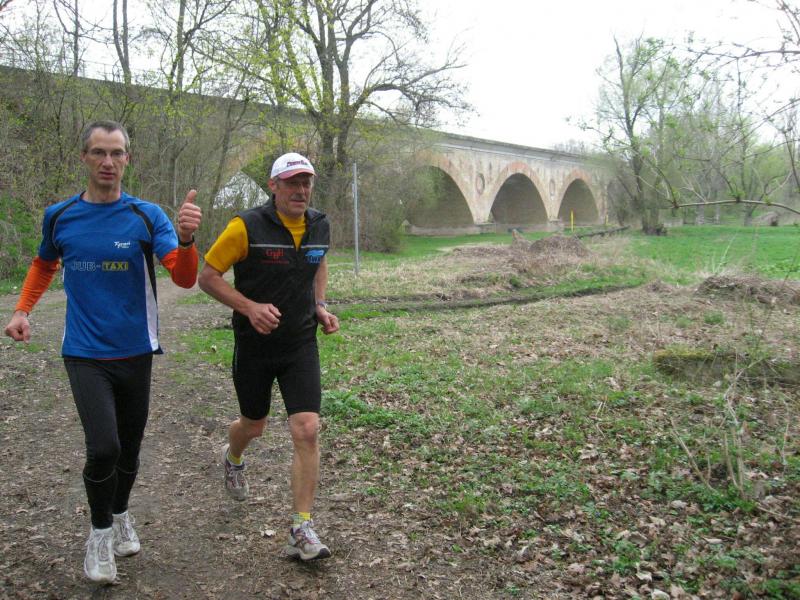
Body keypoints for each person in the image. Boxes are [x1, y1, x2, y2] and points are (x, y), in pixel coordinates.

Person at [3, 120, 202, 584]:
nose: (108, 162)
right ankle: (98, 536)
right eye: (99, 152)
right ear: (84, 157)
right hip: (84, 351)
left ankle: (120, 513)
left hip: (135, 350)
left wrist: (188, 240)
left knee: (129, 450)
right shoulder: (60, 216)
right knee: (104, 447)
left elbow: (184, 276)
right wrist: (22, 310)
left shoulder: (146, 216)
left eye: (116, 153)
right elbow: (43, 263)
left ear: (127, 159)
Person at [198, 151, 339, 562]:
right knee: (253, 425)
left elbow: (318, 262)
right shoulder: (245, 226)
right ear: (273, 186)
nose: (300, 190)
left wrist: (320, 305)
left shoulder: (319, 224)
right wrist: (249, 308)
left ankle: (301, 527)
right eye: (292, 182)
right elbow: (208, 277)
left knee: (307, 429)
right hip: (255, 345)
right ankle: (233, 456)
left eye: (306, 182)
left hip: (300, 343)